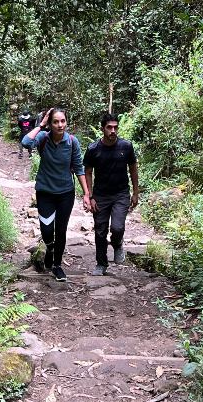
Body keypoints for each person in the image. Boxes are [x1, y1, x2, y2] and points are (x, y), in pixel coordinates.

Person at [21, 108, 93, 282]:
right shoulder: (43, 138)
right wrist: (41, 125)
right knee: (47, 231)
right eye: (55, 122)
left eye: (62, 121)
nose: (60, 125)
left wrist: (86, 194)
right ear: (50, 124)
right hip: (45, 192)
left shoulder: (72, 142)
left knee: (61, 230)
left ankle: (57, 265)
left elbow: (78, 167)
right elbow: (25, 142)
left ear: (66, 122)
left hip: (65, 194)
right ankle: (50, 249)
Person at [83, 112, 139, 276]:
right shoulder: (93, 149)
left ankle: (117, 243)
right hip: (100, 195)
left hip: (121, 194)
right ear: (103, 129)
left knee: (117, 227)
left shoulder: (126, 146)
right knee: (100, 230)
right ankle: (101, 264)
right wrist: (90, 196)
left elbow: (133, 168)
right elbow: (88, 172)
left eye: (115, 127)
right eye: (109, 127)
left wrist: (135, 192)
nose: (113, 131)